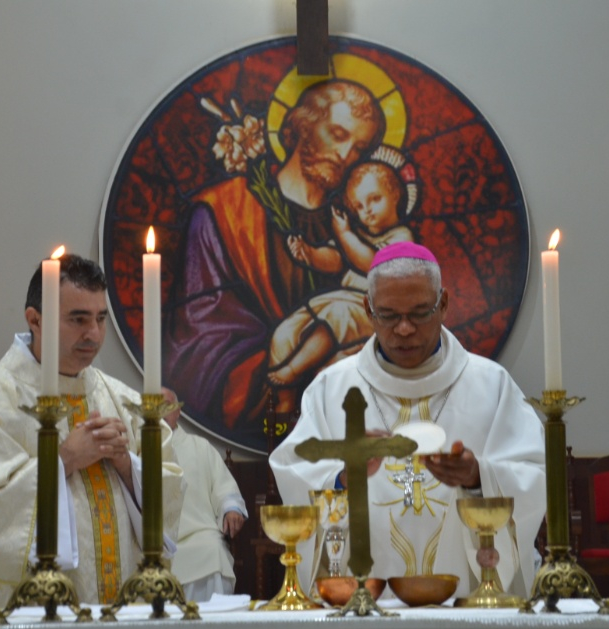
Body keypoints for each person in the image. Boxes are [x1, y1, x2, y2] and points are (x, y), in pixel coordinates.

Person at [269, 242, 546, 598]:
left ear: (443, 304)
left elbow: (533, 473)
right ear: (368, 308)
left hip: (470, 600)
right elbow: (293, 473)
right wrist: (342, 476)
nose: (403, 329)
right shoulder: (331, 389)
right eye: (388, 314)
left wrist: (478, 476)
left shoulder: (491, 385)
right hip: (363, 600)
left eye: (419, 313)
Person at [0, 254, 185, 609]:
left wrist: (126, 464)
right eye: (78, 319)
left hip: (121, 610)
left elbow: (170, 490)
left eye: (101, 319)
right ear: (35, 320)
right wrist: (63, 459)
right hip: (31, 615)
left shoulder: (121, 398)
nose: (93, 334)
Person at [165, 80, 386, 443]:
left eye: (359, 147)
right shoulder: (224, 211)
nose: (347, 154)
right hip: (259, 405)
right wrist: (289, 366)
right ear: (301, 124)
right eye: (338, 133)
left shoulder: (358, 226)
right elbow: (198, 344)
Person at [268, 150, 416, 413]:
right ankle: (285, 403)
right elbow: (336, 259)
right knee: (288, 330)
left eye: (374, 199)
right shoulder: (355, 236)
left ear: (395, 195)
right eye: (358, 206)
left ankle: (293, 369)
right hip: (340, 299)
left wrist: (345, 233)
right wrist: (310, 254)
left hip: (373, 311)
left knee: (338, 315)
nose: (366, 210)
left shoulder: (401, 236)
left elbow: (372, 262)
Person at [162, 388, 246, 601]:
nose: (160, 413)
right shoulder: (136, 448)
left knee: (213, 551)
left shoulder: (200, 447)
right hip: (152, 543)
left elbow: (224, 488)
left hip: (199, 536)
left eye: (166, 406)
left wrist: (231, 510)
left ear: (178, 411)